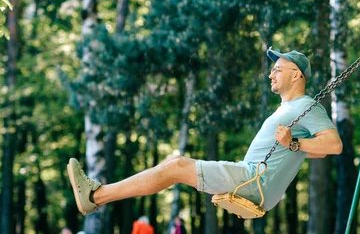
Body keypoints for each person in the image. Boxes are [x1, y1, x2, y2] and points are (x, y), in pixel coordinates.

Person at [67, 47, 343, 216]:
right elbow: (315, 153)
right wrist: (295, 147)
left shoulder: (305, 105)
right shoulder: (290, 109)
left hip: (253, 179)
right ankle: (96, 196)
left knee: (175, 165)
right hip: (252, 179)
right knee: (172, 165)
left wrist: (293, 143)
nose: (271, 74)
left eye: (278, 69)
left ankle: (96, 196)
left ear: (296, 74)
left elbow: (333, 146)